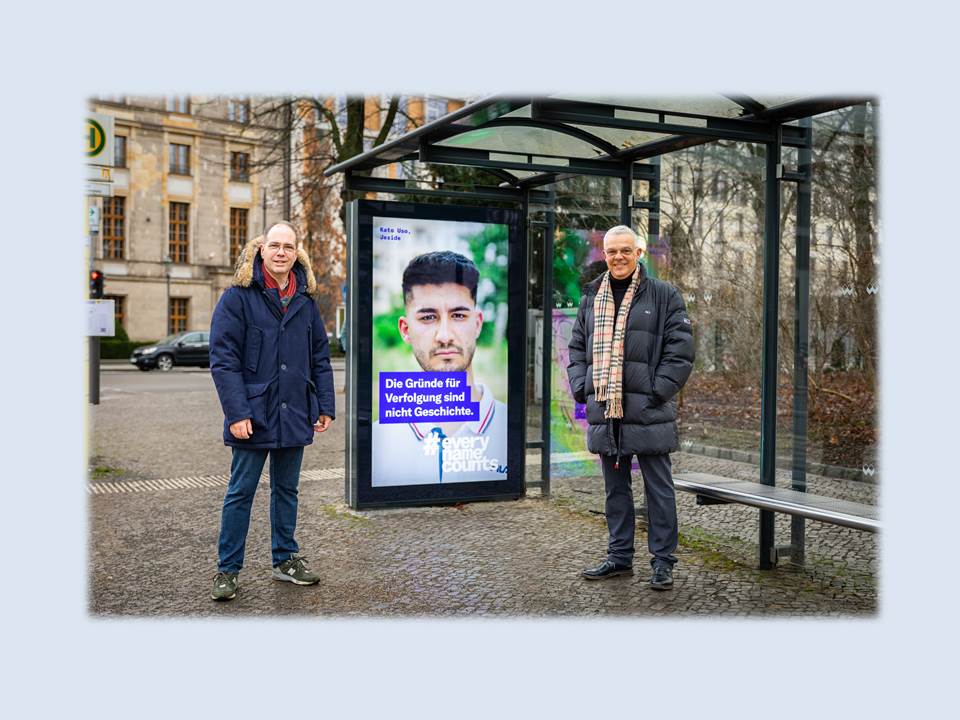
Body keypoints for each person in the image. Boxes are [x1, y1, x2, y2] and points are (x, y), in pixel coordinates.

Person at [208, 221, 335, 601]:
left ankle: (285, 560)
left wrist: (325, 404)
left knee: (287, 490)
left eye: (289, 247)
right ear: (261, 250)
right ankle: (227, 569)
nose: (281, 252)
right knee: (240, 491)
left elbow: (320, 357)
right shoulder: (238, 297)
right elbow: (223, 359)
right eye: (275, 246)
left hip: (294, 409)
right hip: (254, 413)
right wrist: (237, 412)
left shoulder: (306, 303)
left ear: (297, 254)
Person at [567, 225, 694, 590]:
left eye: (625, 250)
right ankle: (620, 557)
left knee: (659, 489)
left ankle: (662, 562)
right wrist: (582, 387)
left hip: (648, 409)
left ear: (639, 253)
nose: (618, 257)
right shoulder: (592, 296)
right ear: (603, 255)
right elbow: (576, 348)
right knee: (615, 489)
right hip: (607, 408)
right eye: (611, 252)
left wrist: (657, 391)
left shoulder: (664, 294)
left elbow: (681, 351)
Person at [371, 251, 507, 486]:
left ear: (477, 324)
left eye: (458, 315)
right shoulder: (377, 440)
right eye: (427, 318)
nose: (444, 336)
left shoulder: (508, 428)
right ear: (405, 330)